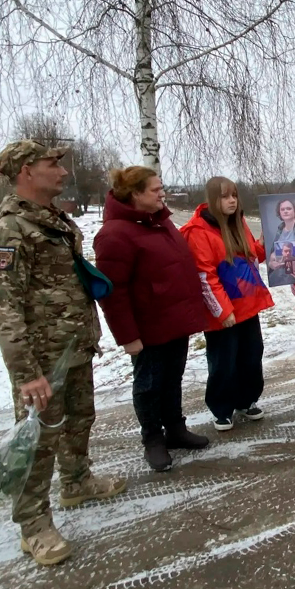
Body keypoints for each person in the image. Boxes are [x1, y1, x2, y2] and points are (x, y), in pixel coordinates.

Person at [0, 140, 126, 566]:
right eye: (53, 164)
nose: (63, 172)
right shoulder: (12, 229)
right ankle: (33, 524)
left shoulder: (53, 219)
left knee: (80, 419)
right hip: (42, 359)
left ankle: (77, 481)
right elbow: (3, 307)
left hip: (73, 346)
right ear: (26, 171)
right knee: (38, 441)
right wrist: (26, 373)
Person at [93, 166, 210, 473]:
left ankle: (175, 429)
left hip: (174, 320)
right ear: (135, 194)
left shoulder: (160, 221)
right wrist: (127, 336)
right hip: (147, 329)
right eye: (156, 190)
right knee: (149, 386)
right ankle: (153, 439)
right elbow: (112, 291)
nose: (162, 194)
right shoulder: (115, 234)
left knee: (172, 379)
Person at [180, 177, 274, 431]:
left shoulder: (238, 222)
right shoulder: (198, 231)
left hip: (248, 304)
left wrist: (263, 245)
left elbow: (249, 256)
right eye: (225, 196)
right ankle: (222, 408)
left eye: (234, 195)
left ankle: (247, 400)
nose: (232, 201)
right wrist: (223, 311)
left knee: (251, 355)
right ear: (213, 199)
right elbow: (205, 275)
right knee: (224, 361)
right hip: (223, 312)